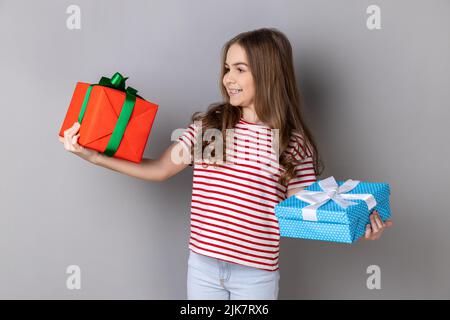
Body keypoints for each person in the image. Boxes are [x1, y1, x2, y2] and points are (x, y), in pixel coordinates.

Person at [59, 28, 393, 300]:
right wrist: (93, 156)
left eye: (239, 69)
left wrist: (359, 224)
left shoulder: (293, 143)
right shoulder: (210, 128)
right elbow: (159, 169)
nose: (227, 78)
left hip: (256, 276)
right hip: (203, 268)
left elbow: (308, 211)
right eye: (226, 68)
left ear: (267, 73)